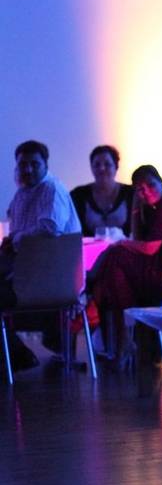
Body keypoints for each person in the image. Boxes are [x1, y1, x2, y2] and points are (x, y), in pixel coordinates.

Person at [86, 165, 162, 355]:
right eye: (139, 189)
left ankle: (120, 338)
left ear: (161, 182)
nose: (146, 192)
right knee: (114, 270)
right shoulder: (152, 209)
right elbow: (138, 239)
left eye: (151, 185)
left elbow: (149, 247)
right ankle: (123, 339)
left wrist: (120, 244)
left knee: (115, 259)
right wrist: (136, 208)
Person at [1, 140, 81, 370]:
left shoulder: (52, 190)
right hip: (30, 273)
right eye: (23, 164)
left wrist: (15, 239)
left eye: (34, 164)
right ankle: (16, 355)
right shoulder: (22, 194)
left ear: (46, 165)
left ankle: (17, 356)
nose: (28, 169)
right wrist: (12, 240)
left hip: (48, 281)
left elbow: (50, 228)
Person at [70, 145, 135, 237]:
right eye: (97, 165)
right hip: (88, 250)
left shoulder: (131, 193)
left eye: (107, 164)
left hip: (126, 250)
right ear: (91, 168)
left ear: (116, 167)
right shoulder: (78, 195)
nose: (102, 169)